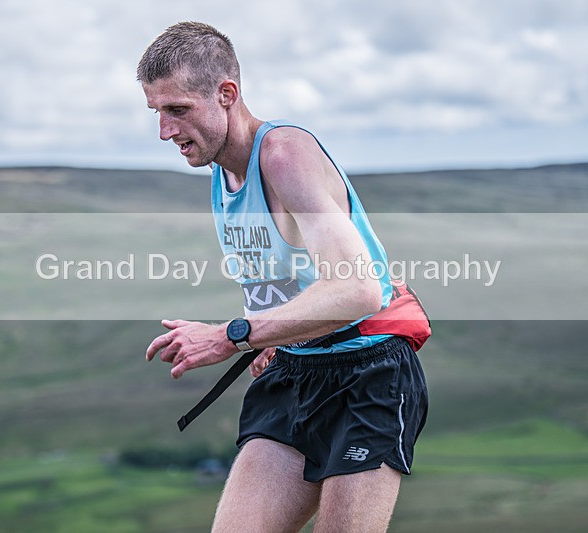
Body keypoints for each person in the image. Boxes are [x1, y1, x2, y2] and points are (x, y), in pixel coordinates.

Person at [139, 21, 428, 533]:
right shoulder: (221, 172)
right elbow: (290, 276)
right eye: (156, 112)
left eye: (178, 110)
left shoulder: (283, 154)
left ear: (227, 94)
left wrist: (234, 335)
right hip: (294, 372)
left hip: (369, 373)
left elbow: (357, 288)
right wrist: (278, 332)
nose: (165, 131)